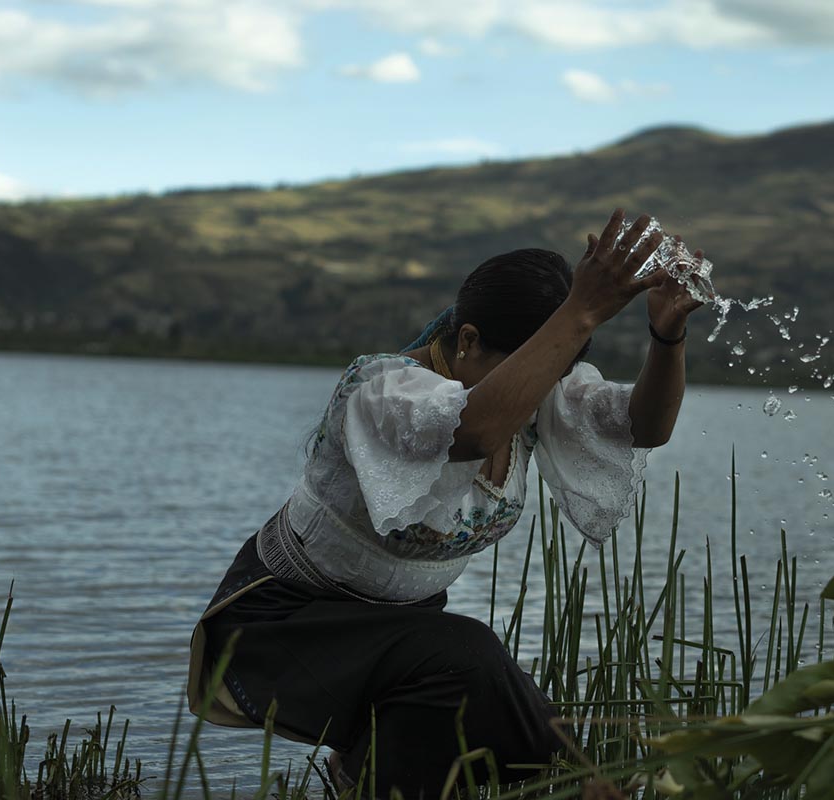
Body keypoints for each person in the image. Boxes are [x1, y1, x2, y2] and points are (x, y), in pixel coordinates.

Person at [187, 210, 705, 797]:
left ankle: (368, 776)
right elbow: (475, 431)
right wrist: (581, 311)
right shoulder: (381, 389)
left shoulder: (541, 393)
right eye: (536, 362)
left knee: (501, 715)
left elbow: (645, 425)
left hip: (402, 641)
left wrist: (667, 336)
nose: (543, 382)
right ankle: (572, 782)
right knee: (472, 655)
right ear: (467, 341)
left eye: (556, 366)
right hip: (291, 625)